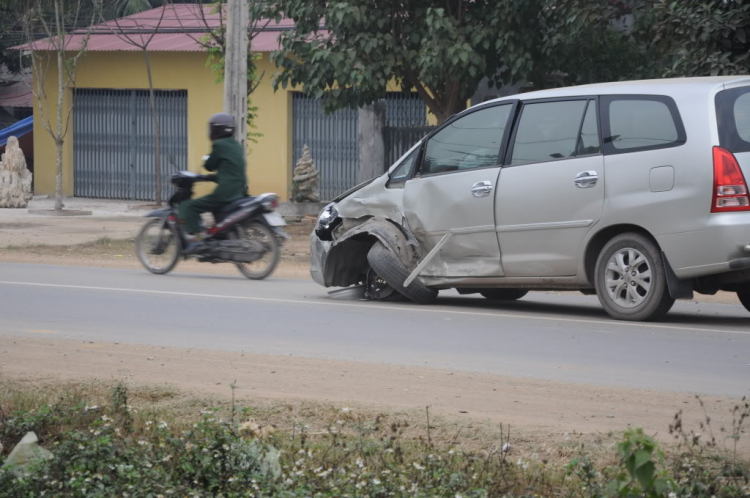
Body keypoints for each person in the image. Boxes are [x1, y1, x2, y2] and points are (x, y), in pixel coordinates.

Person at [179, 112, 247, 252]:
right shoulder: (236, 145)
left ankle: (197, 241)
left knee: (191, 206)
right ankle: (216, 237)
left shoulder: (219, 145)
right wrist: (207, 178)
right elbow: (228, 172)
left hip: (226, 193)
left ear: (216, 130)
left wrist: (206, 162)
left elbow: (210, 165)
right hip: (240, 191)